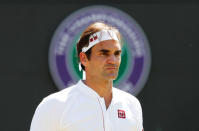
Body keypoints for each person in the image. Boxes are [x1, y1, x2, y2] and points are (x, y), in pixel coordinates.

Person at [30, 22, 144, 131]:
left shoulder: (132, 104)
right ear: (84, 58)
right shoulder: (54, 105)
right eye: (104, 53)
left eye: (117, 54)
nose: (113, 60)